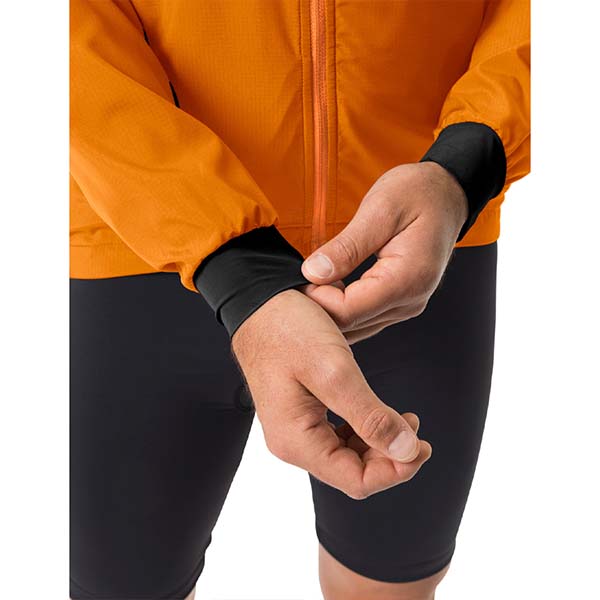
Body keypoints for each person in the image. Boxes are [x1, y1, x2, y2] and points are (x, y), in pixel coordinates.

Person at [70, 1, 530, 598]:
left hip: (420, 239)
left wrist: (466, 161)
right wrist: (239, 270)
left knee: (388, 586)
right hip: (140, 237)